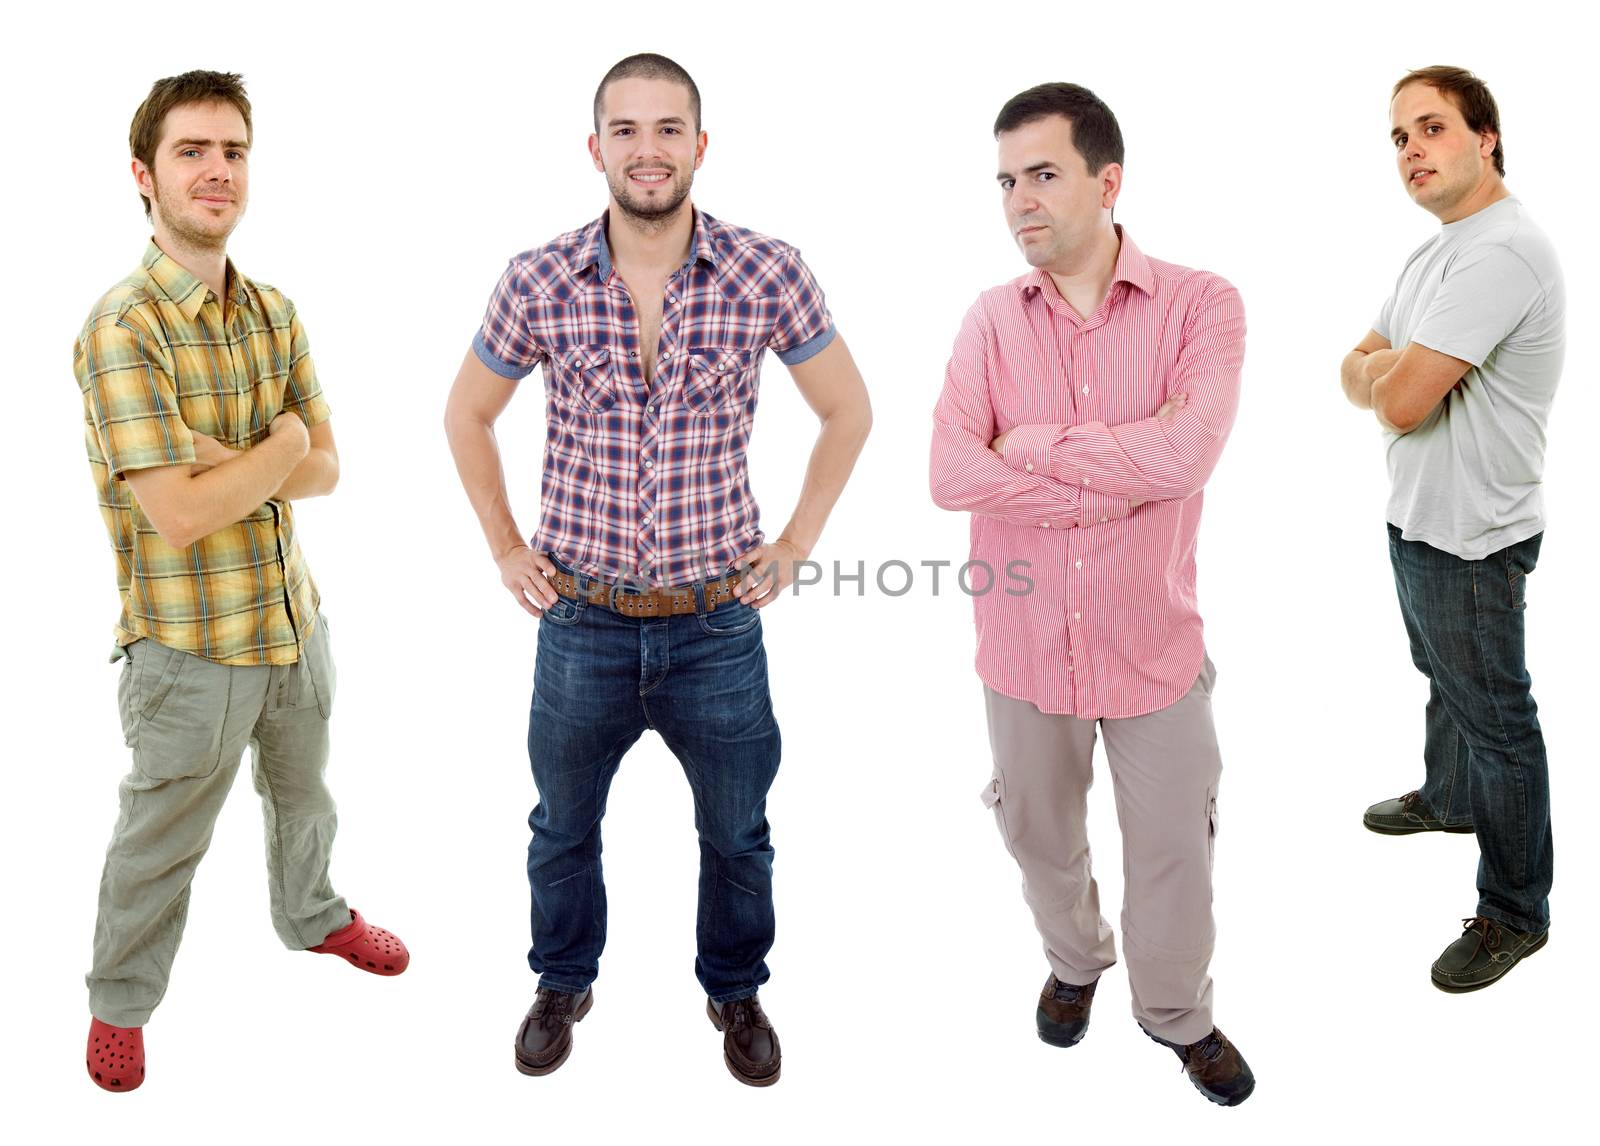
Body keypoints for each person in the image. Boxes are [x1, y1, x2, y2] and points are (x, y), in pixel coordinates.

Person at [444, 53, 870, 1086]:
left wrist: (797, 542)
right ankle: (561, 979)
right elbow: (467, 412)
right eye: (625, 130)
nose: (647, 149)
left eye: (667, 128)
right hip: (580, 621)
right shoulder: (537, 277)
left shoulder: (766, 270)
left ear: (699, 146)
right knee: (561, 828)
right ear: (596, 149)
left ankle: (735, 990)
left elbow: (847, 409)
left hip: (715, 625)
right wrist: (506, 545)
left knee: (737, 832)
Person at [74, 71, 407, 1094]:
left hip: (291, 623)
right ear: (144, 173)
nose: (217, 171)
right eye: (191, 152)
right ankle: (119, 1004)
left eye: (233, 152)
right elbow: (175, 516)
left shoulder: (274, 310)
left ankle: (310, 917)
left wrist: (227, 457)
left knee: (305, 797)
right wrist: (278, 444)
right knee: (160, 839)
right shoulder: (122, 328)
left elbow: (331, 469)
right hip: (187, 652)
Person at [930, 82, 1252, 1107]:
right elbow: (948, 474)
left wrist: (1027, 449)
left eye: (1042, 175)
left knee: (1171, 853)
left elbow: (1188, 454)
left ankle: (1175, 1016)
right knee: (1035, 833)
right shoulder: (989, 320)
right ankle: (1076, 963)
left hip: (1152, 645)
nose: (1018, 200)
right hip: (1021, 649)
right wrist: (1113, 476)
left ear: (1107, 182)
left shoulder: (1203, 305)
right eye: (1005, 181)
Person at [1342, 65, 1562, 992]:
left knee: (1498, 719)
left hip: (1474, 534)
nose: (1411, 151)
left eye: (1430, 128)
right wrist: (1387, 378)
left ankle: (1516, 912)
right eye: (1399, 138)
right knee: (1443, 677)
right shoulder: (1438, 249)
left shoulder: (1500, 253)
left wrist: (1389, 380)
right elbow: (1358, 365)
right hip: (1421, 517)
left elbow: (1392, 399)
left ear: (1487, 137)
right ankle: (1448, 797)